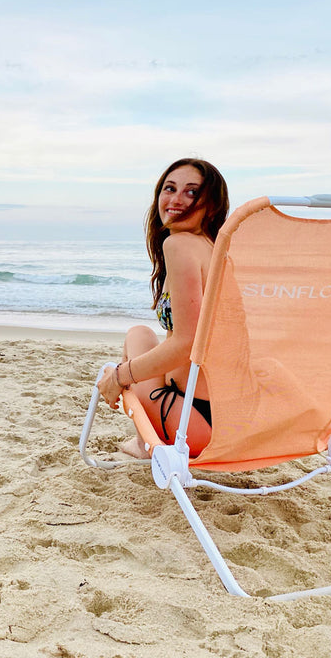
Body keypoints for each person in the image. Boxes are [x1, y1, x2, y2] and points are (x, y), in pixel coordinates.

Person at [96, 157, 229, 458]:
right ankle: (145, 441)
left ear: (212, 205)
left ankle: (146, 443)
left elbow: (186, 344)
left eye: (191, 192)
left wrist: (120, 376)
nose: (176, 199)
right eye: (170, 188)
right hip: (222, 415)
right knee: (140, 333)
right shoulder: (212, 247)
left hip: (192, 424)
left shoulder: (180, 245)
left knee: (122, 368)